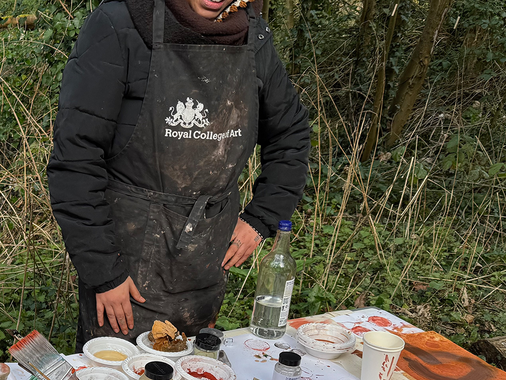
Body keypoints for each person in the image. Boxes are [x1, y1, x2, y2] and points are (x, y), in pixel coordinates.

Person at [47, 0, 309, 351]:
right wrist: (103, 273)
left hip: (207, 261)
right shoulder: (120, 26)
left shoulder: (254, 39)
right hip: (127, 268)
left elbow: (290, 133)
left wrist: (263, 217)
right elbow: (76, 157)